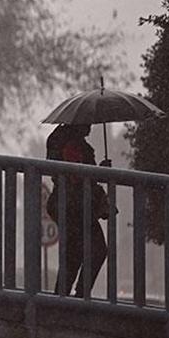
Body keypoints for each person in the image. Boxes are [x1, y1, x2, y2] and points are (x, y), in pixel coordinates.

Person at [45, 123, 109, 297]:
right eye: (87, 122)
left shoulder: (63, 140)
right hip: (75, 208)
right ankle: (75, 297)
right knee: (92, 251)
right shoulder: (72, 145)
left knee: (74, 256)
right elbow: (76, 177)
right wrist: (99, 171)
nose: (90, 127)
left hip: (72, 206)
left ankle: (63, 300)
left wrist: (98, 171)